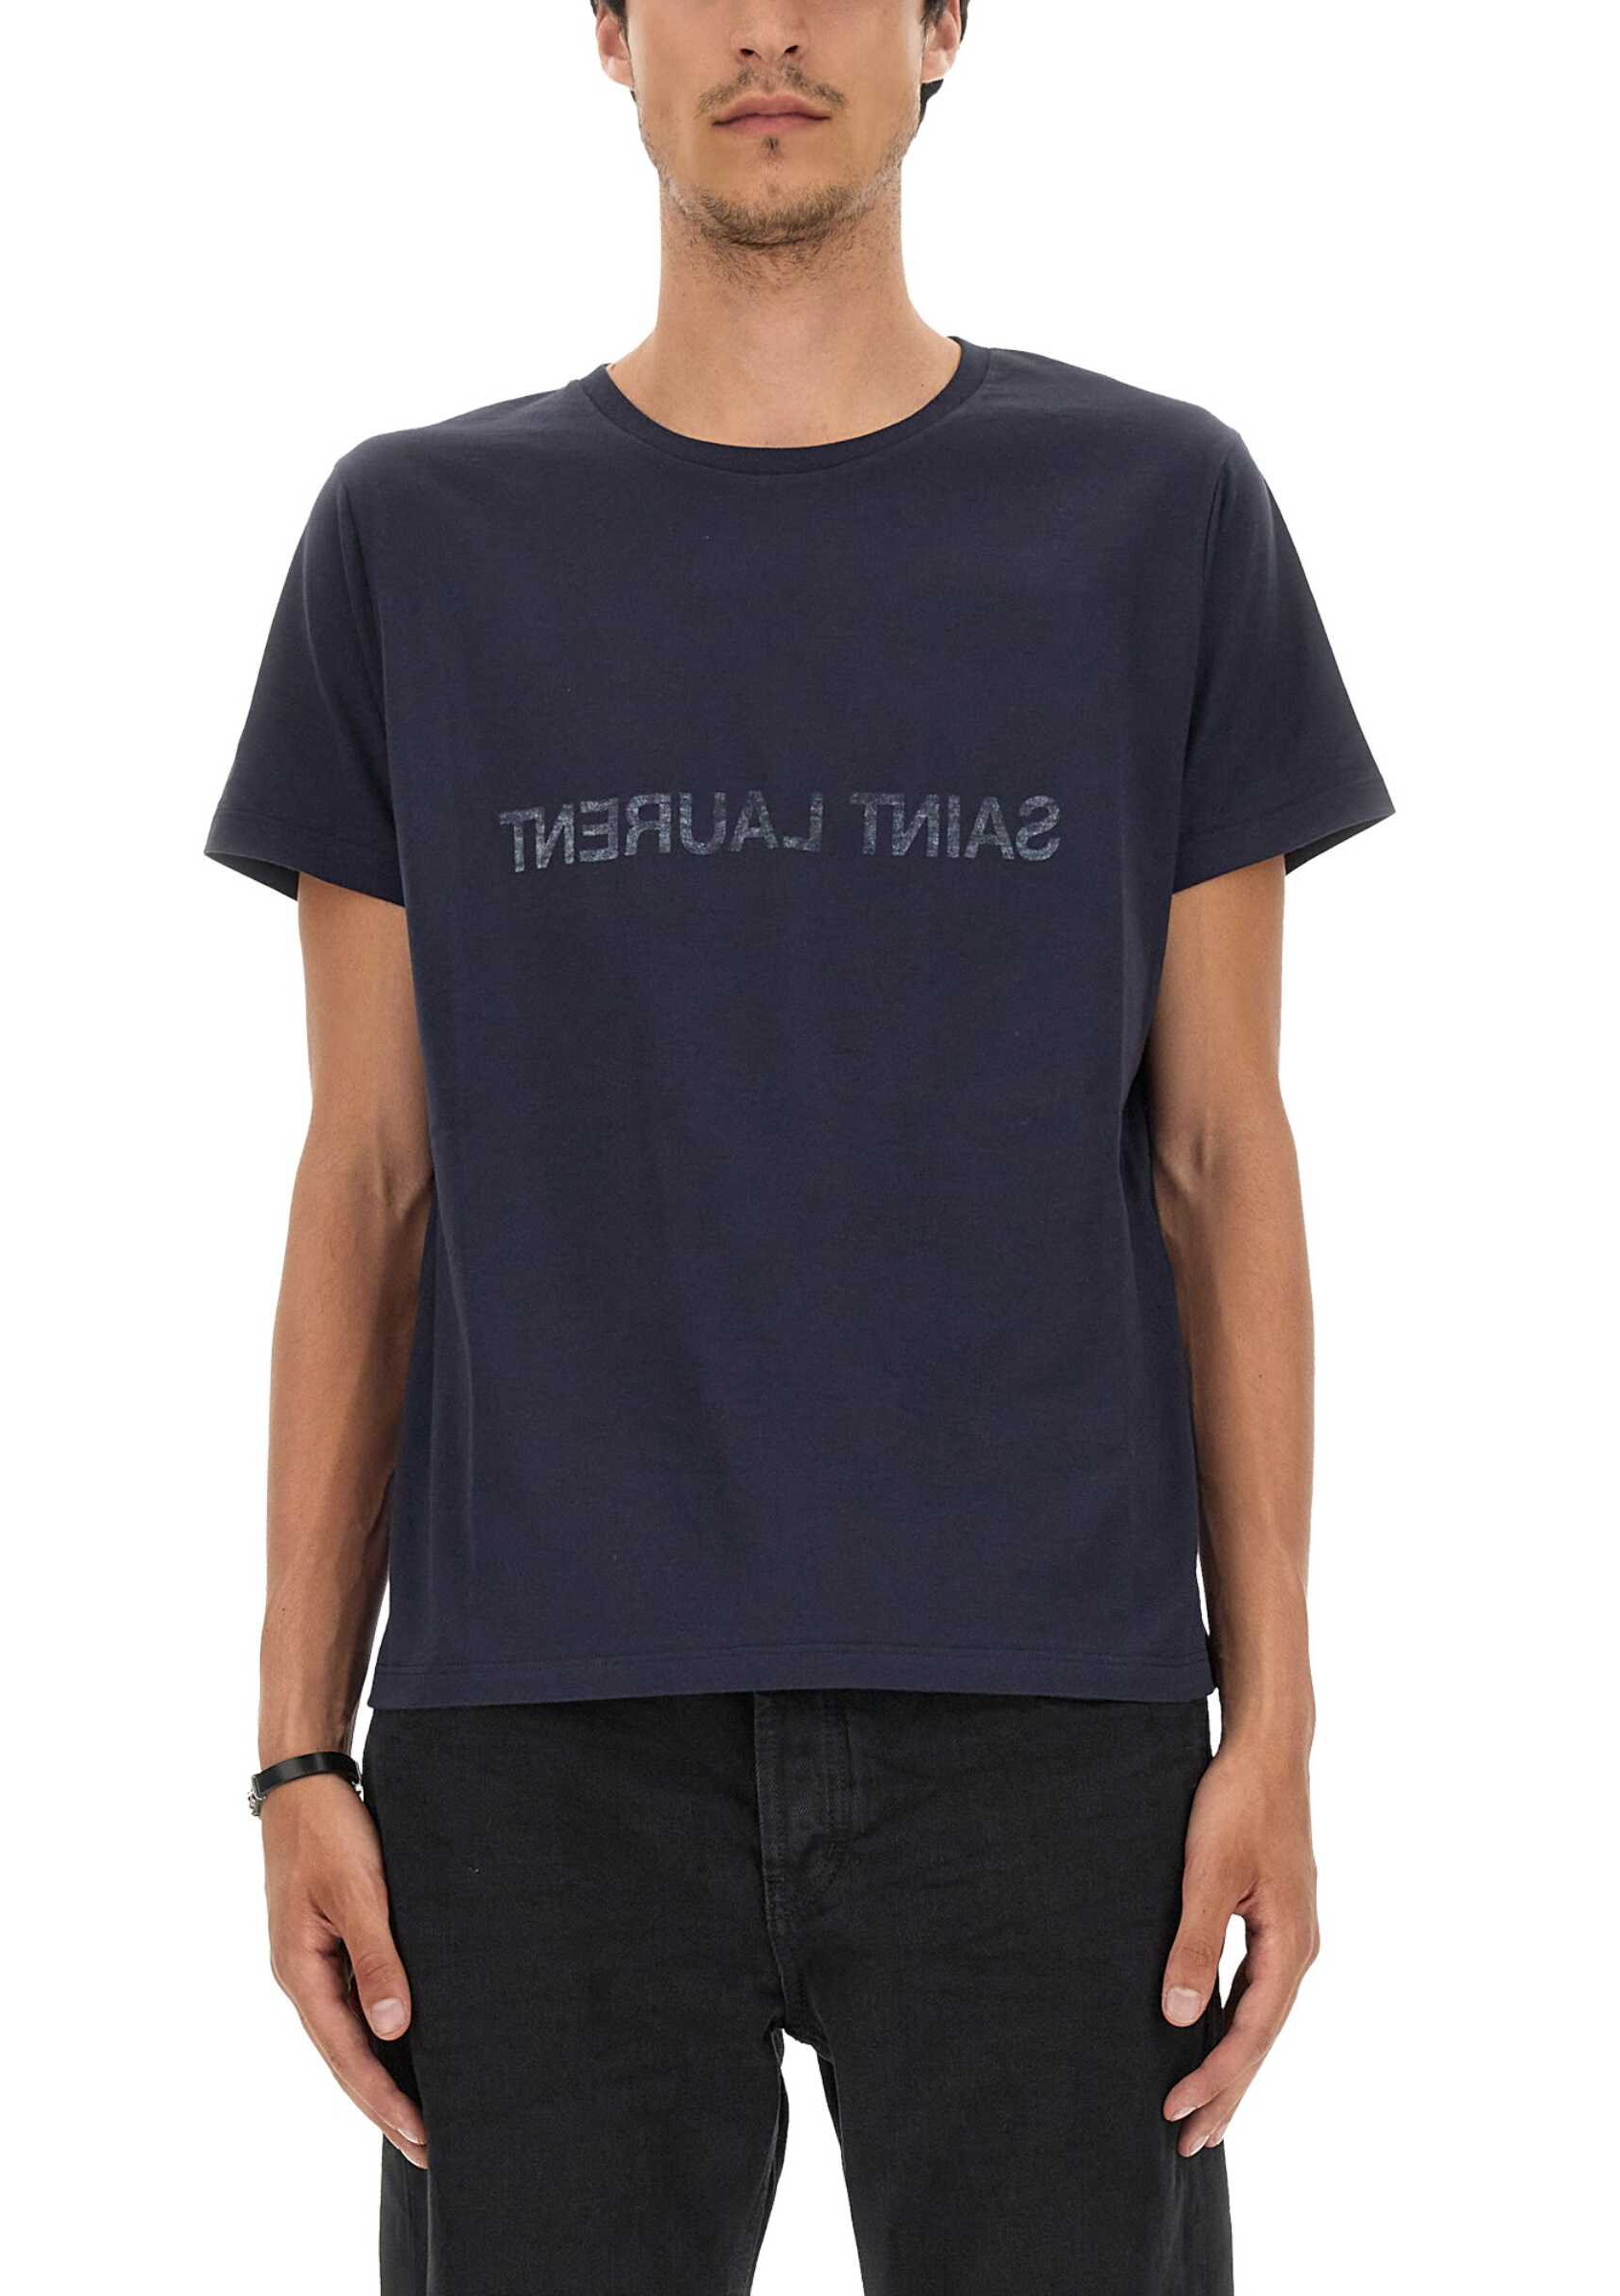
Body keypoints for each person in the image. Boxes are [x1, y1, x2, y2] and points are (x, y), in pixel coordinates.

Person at [205, 4, 1393, 2288]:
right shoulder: (413, 541)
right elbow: (366, 1176)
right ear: (607, 33)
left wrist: (1275, 1722)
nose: (768, 29)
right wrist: (293, 1753)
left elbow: (1220, 1157)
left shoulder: (1154, 514)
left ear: (943, 25)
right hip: (535, 1735)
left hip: (1046, 1724)